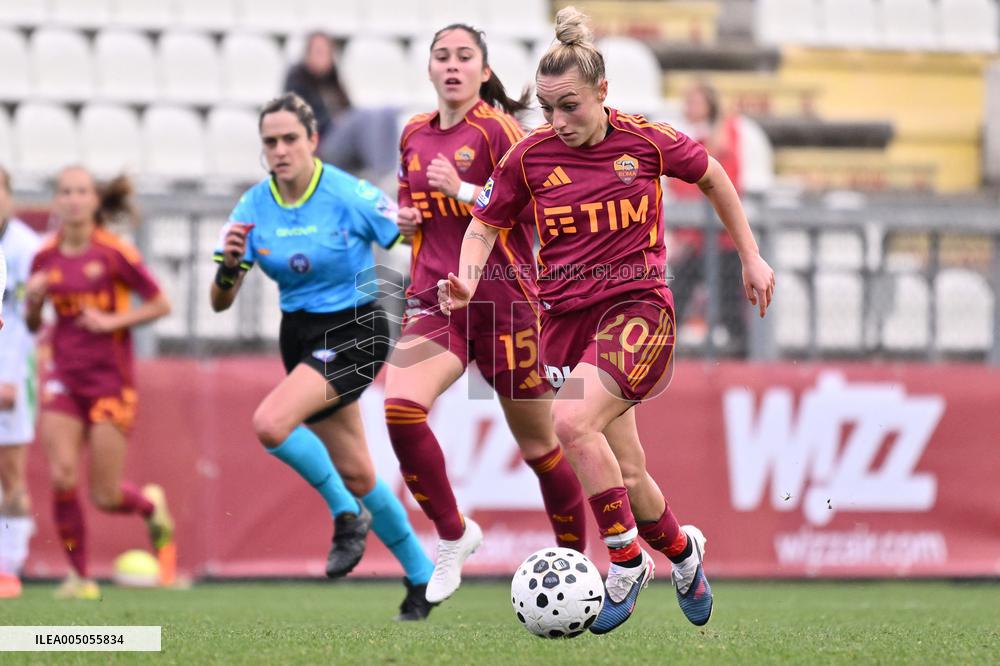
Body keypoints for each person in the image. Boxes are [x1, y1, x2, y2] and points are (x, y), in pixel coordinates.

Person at [439, 7, 775, 633]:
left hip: (638, 308)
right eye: (545, 109)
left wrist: (751, 256)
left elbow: (714, 176)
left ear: (602, 93)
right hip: (565, 321)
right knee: (629, 473)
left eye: (569, 106)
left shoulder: (645, 140)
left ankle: (622, 560)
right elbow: (485, 220)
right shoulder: (531, 157)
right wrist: (466, 275)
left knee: (570, 422)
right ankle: (681, 554)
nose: (556, 122)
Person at [210, 92, 436, 621]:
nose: (281, 150)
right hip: (301, 336)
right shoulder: (251, 208)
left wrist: (411, 225)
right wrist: (229, 268)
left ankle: (344, 515)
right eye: (271, 142)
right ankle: (423, 577)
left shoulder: (347, 192)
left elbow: (409, 232)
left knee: (270, 423)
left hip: (357, 327)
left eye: (291, 139)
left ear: (313, 140)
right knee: (358, 470)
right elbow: (221, 301)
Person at [385, 24, 588, 605]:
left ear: (483, 70)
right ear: (428, 69)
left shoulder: (500, 133)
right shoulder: (413, 135)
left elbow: (539, 214)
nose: (452, 65)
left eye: (464, 56)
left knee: (542, 448)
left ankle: (574, 565)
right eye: (442, 56)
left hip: (504, 305)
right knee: (401, 408)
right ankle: (454, 535)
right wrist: (405, 219)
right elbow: (414, 203)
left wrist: (469, 190)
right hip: (437, 298)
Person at [25, 168, 175, 600]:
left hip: (111, 380)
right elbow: (35, 323)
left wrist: (113, 320)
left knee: (105, 495)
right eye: (65, 192)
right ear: (56, 201)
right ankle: (80, 577)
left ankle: (149, 505)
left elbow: (161, 303)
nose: (72, 199)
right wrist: (34, 302)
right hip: (63, 377)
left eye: (81, 192)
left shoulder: (114, 252)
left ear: (94, 201)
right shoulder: (44, 256)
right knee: (61, 475)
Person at [668, 80, 747, 353]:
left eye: (694, 101)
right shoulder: (691, 139)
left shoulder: (724, 135)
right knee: (676, 298)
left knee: (729, 307)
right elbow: (684, 189)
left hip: (718, 240)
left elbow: (727, 184)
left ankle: (741, 355)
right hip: (698, 240)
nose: (687, 107)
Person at [0, 166, 41, 599]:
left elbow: (32, 322)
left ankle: (8, 566)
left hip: (10, 372)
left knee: (10, 472)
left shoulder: (27, 250)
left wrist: (10, 375)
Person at [284, 32, 399, 182]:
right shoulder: (298, 81)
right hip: (321, 146)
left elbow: (347, 110)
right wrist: (333, 121)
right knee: (363, 116)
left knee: (387, 113)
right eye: (318, 51)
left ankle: (389, 173)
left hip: (341, 141)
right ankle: (381, 175)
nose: (323, 57)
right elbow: (298, 122)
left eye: (327, 52)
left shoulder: (333, 81)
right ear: (307, 54)